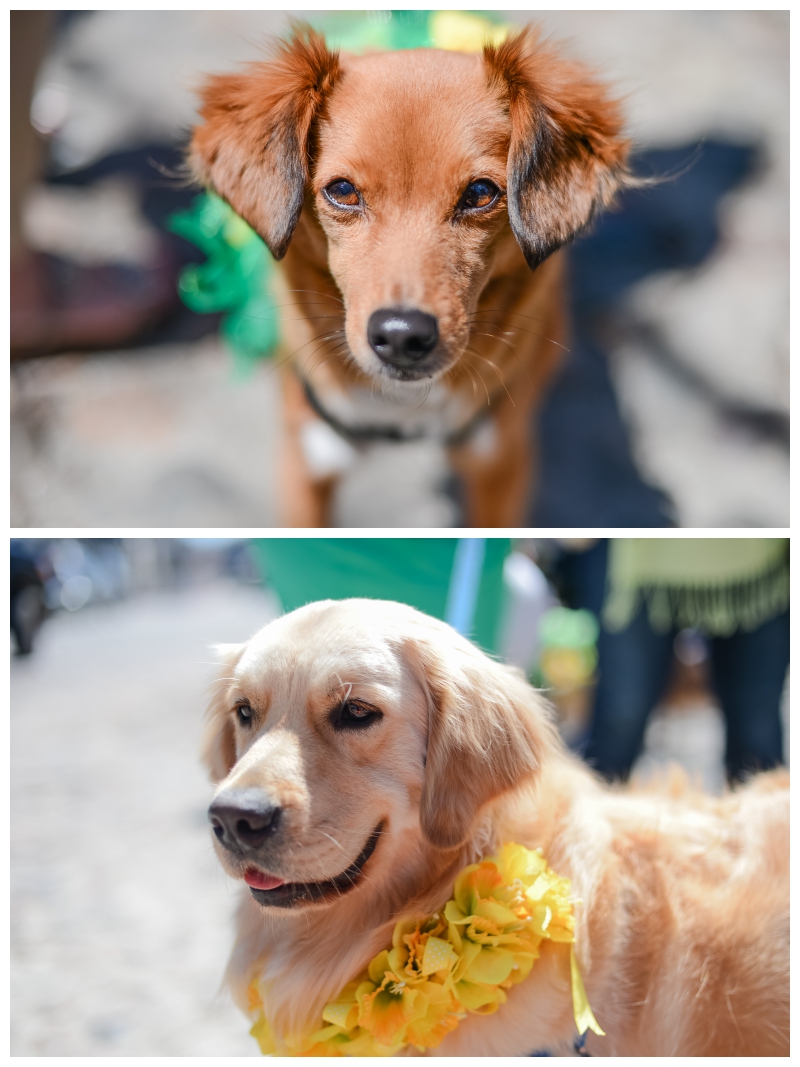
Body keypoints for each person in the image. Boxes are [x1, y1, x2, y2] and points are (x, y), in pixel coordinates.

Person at [558, 538, 789, 783]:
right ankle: (582, 812)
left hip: (756, 565)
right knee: (619, 719)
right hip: (639, 564)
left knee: (756, 730)